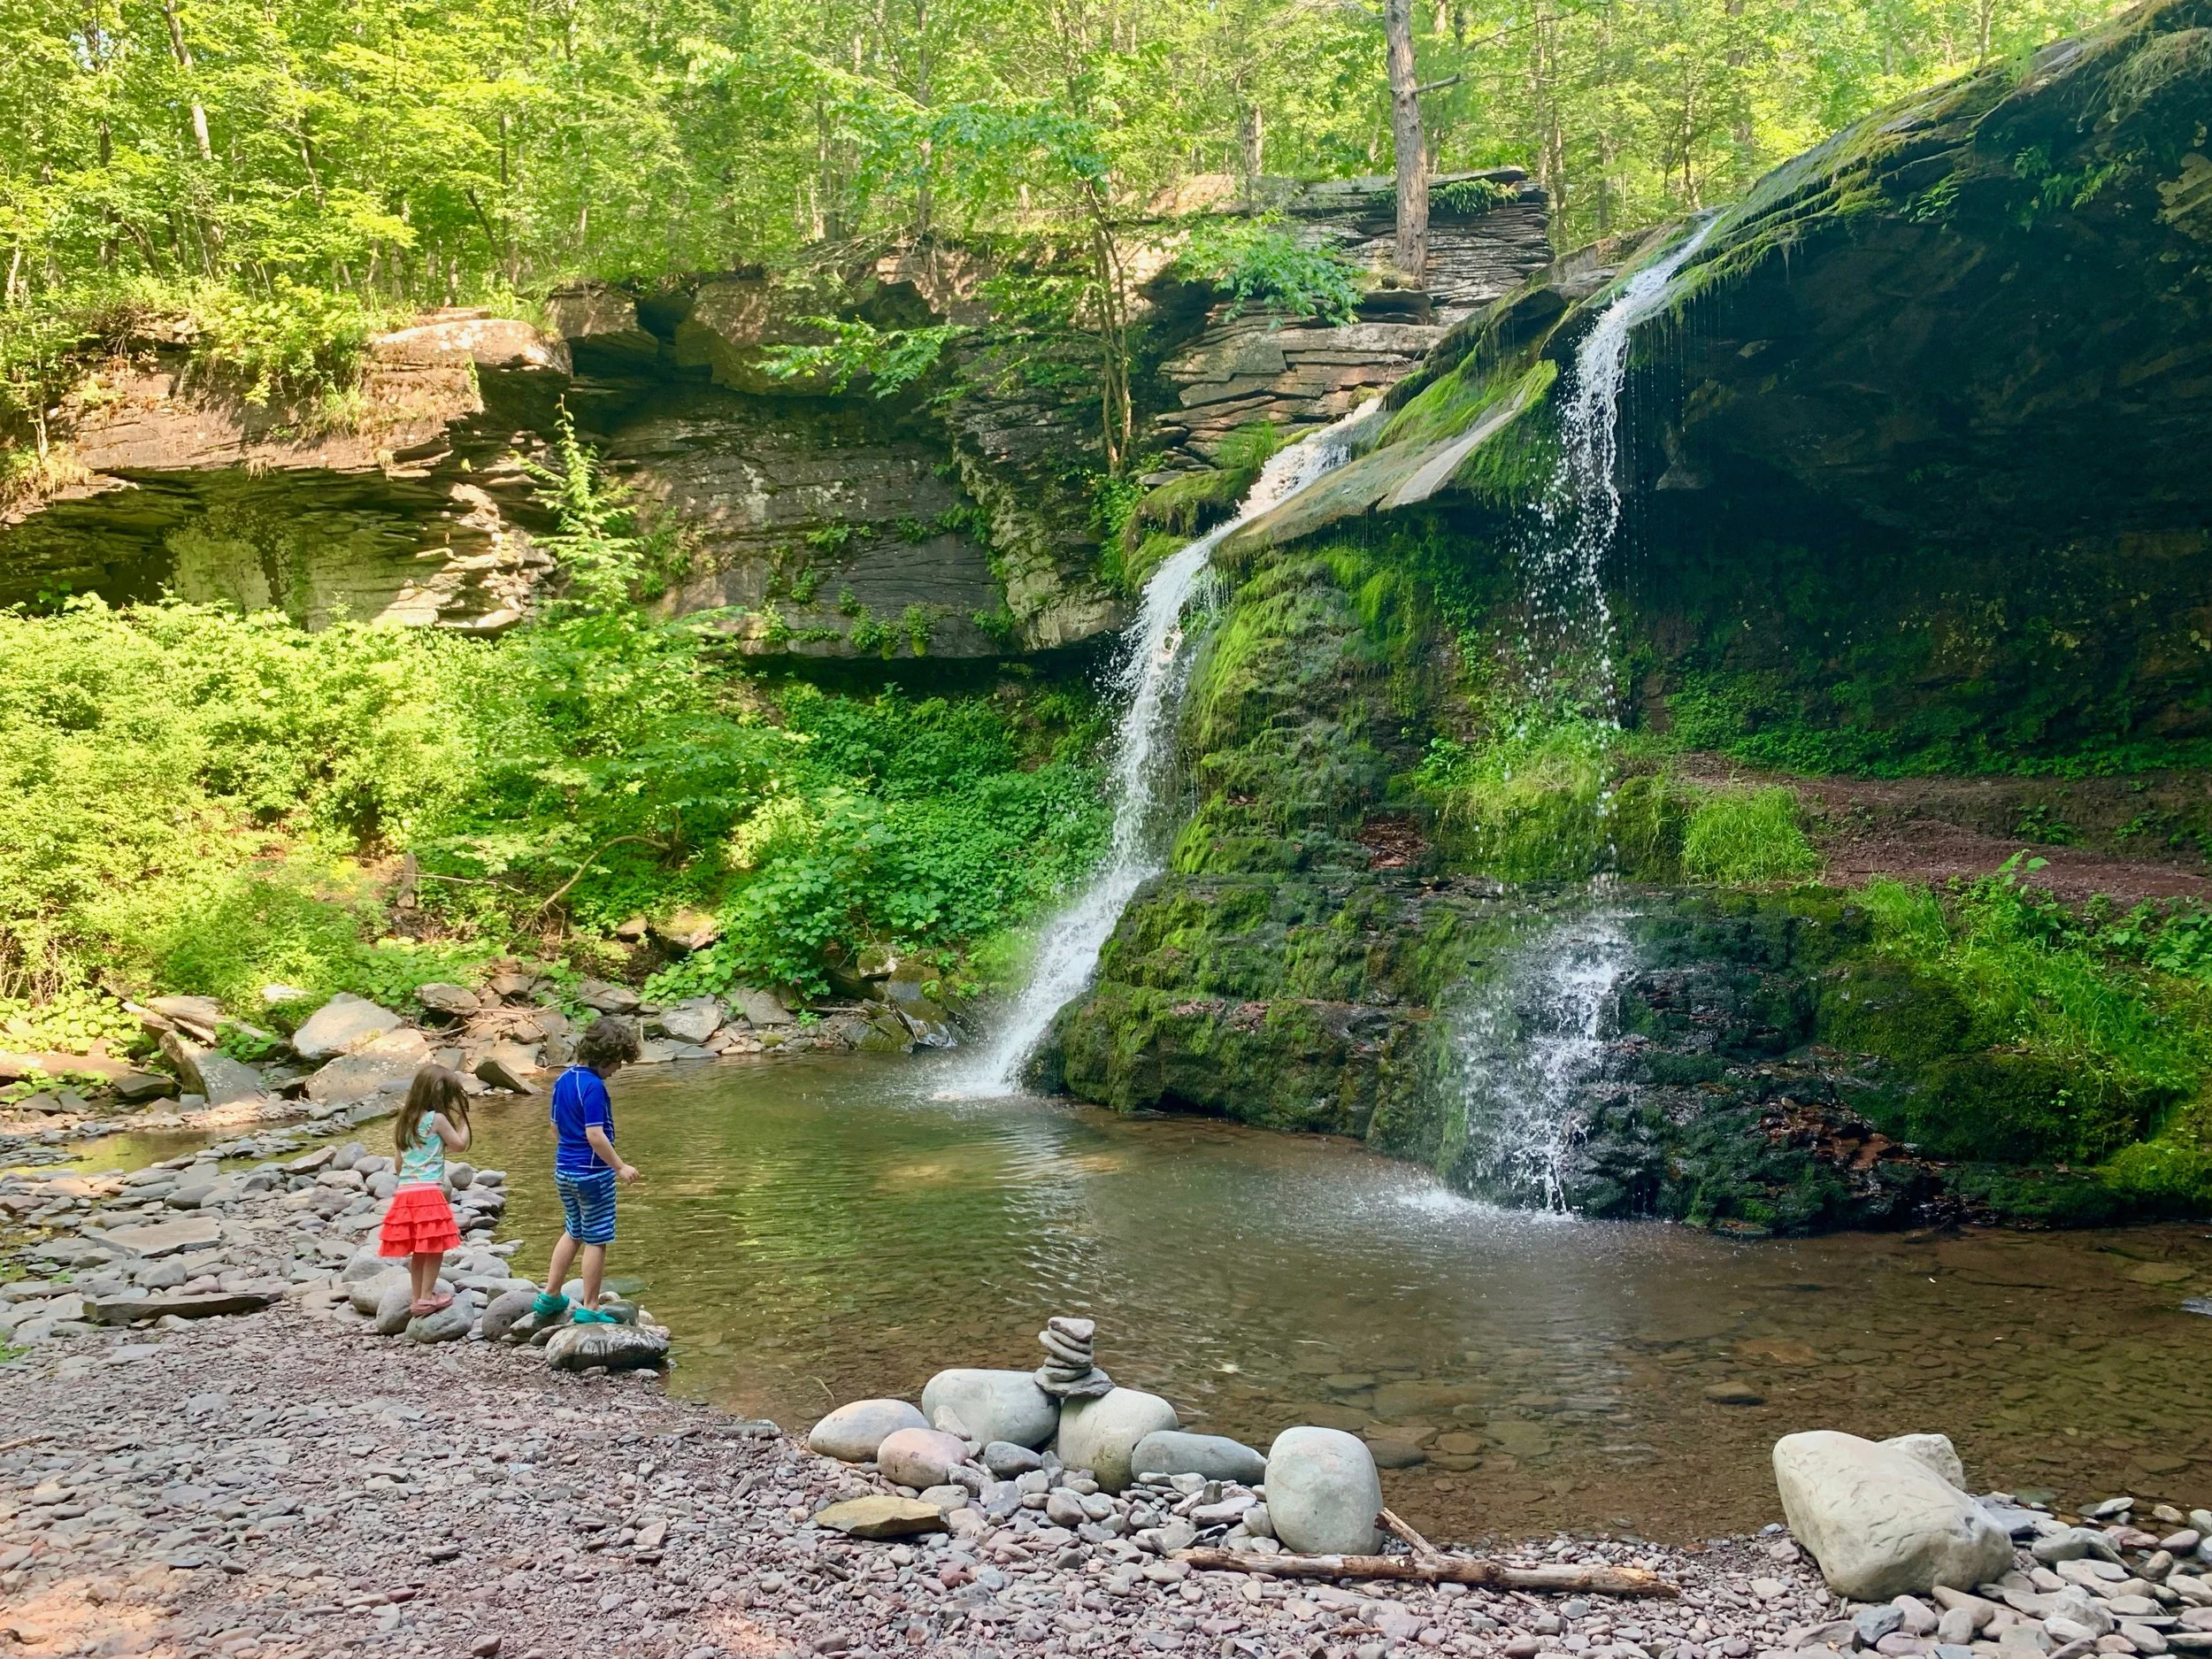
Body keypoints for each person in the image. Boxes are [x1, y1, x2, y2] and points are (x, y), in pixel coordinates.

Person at [534, 1016, 643, 1325]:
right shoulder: (594, 1087)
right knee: (596, 1238)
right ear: (606, 1057)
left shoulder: (563, 1079)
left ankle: (550, 1295)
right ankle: (591, 1307)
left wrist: (569, 1153)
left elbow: (554, 1127)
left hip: (564, 1170)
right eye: (618, 1062)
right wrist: (620, 1166)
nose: (619, 1068)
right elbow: (595, 1134)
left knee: (573, 1231)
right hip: (592, 1175)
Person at [378, 1066, 473, 1317]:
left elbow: (399, 1165)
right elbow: (459, 1145)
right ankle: (427, 1296)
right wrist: (464, 1122)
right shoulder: (437, 1119)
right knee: (433, 1247)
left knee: (418, 1249)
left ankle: (417, 1297)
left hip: (405, 1193)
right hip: (428, 1192)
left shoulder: (404, 1120)